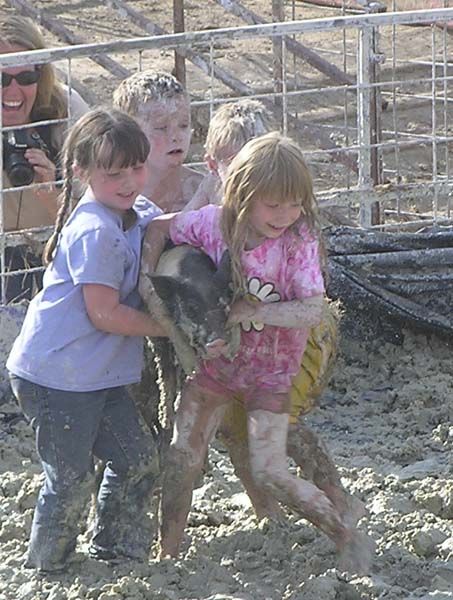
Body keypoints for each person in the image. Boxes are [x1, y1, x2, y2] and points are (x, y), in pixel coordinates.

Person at [147, 132, 372, 571]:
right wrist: (149, 284)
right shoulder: (215, 223)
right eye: (273, 204)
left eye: (294, 204)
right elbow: (158, 227)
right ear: (243, 195)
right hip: (217, 366)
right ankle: (168, 555)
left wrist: (254, 310)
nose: (284, 215)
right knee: (181, 457)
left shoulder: (297, 243)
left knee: (271, 468)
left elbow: (311, 308)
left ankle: (345, 532)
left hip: (272, 372)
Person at [184, 99, 366, 527]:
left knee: (282, 426)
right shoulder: (215, 206)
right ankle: (267, 514)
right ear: (216, 165)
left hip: (295, 338)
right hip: (242, 340)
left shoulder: (290, 225)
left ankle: (338, 503)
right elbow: (180, 224)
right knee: (234, 431)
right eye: (238, 158)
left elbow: (308, 302)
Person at [6, 108, 167, 573]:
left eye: (137, 168)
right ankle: (47, 566)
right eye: (114, 173)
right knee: (70, 479)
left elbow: (166, 221)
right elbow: (105, 314)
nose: (129, 181)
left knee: (138, 459)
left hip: (92, 376)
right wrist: (167, 327)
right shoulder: (95, 230)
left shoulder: (129, 211)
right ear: (80, 171)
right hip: (57, 378)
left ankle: (117, 552)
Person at [0, 15, 88, 302]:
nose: (12, 92)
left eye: (26, 78)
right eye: (1, 78)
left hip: (56, 250)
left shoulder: (67, 110)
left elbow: (98, 220)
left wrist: (54, 196)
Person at [113, 69, 202, 213]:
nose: (176, 136)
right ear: (129, 133)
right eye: (161, 127)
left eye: (184, 125)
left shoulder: (203, 191)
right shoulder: (117, 197)